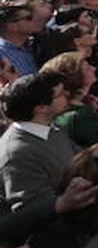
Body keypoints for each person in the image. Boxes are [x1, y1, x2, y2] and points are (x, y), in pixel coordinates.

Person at [0, 72, 79, 209]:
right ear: (40, 108)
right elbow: (33, 209)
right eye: (60, 94)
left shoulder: (51, 130)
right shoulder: (17, 154)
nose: (67, 94)